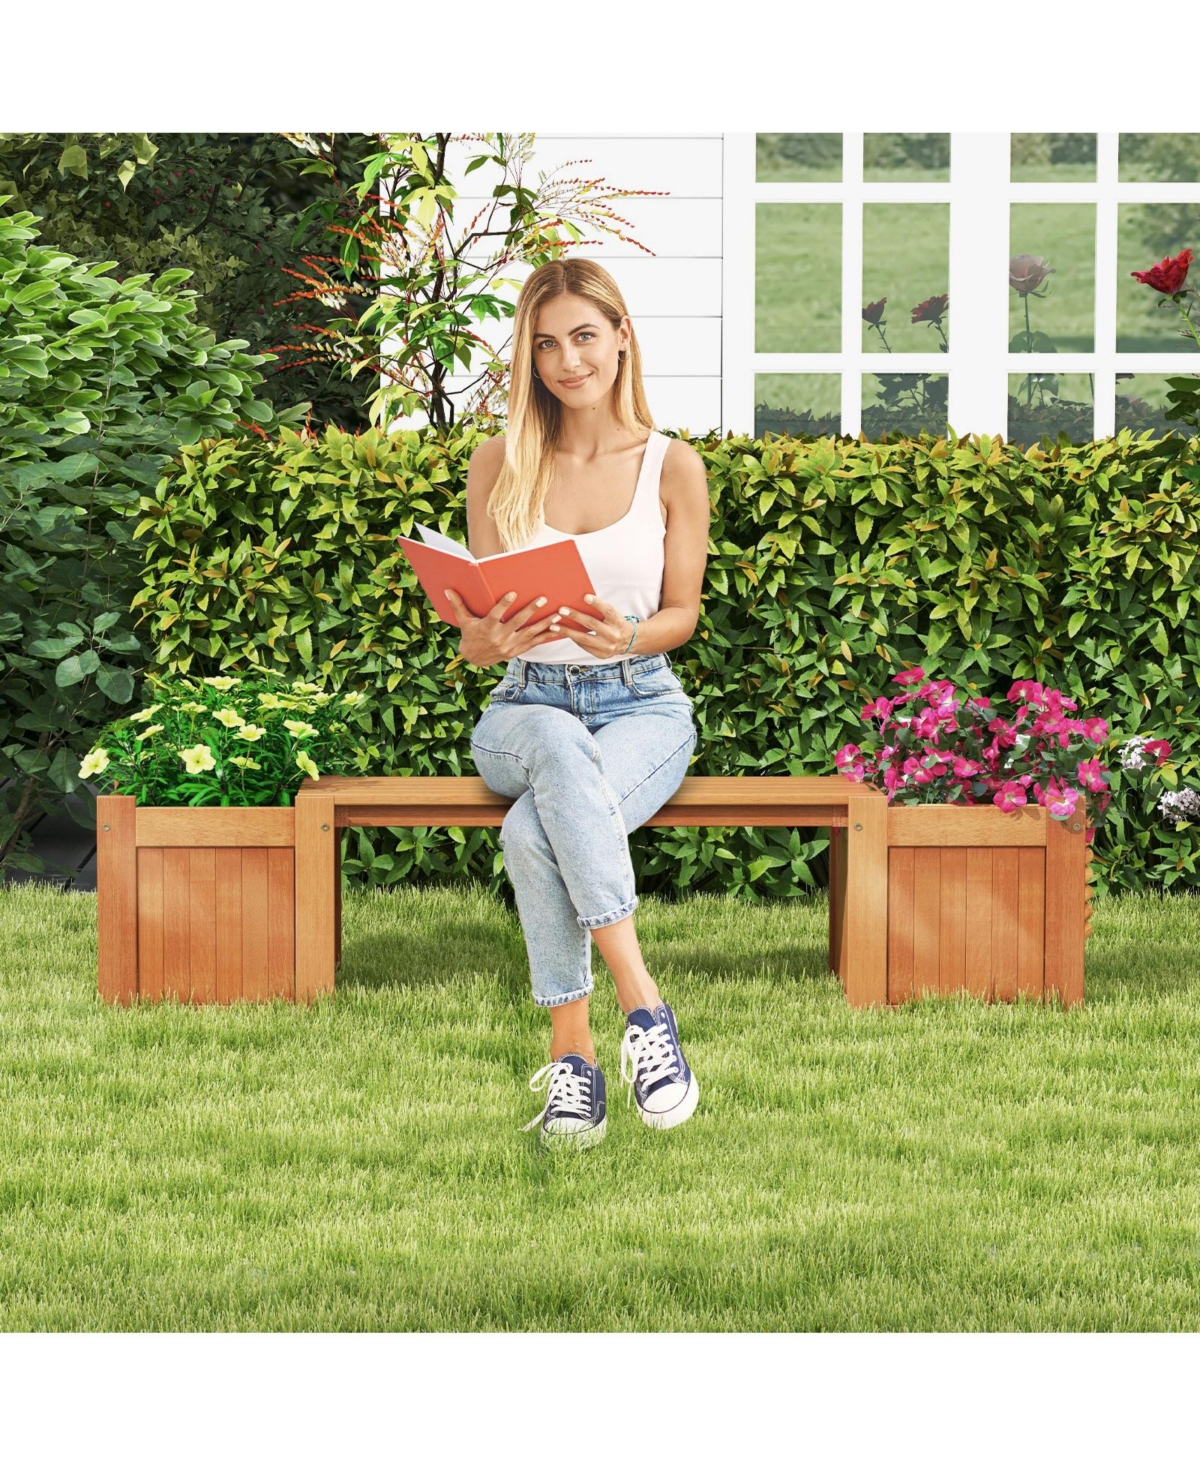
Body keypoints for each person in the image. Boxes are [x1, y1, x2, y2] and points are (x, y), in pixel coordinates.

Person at [443, 258, 711, 1149]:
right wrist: (482, 641)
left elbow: (682, 614)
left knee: (532, 831)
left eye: (584, 336)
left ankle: (575, 1062)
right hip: (524, 705)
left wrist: (626, 639)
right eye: (546, 343)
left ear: (622, 336)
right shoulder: (498, 463)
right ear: (528, 356)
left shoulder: (673, 466)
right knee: (554, 746)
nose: (567, 360)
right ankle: (648, 1009)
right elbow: (479, 623)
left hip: (641, 704)